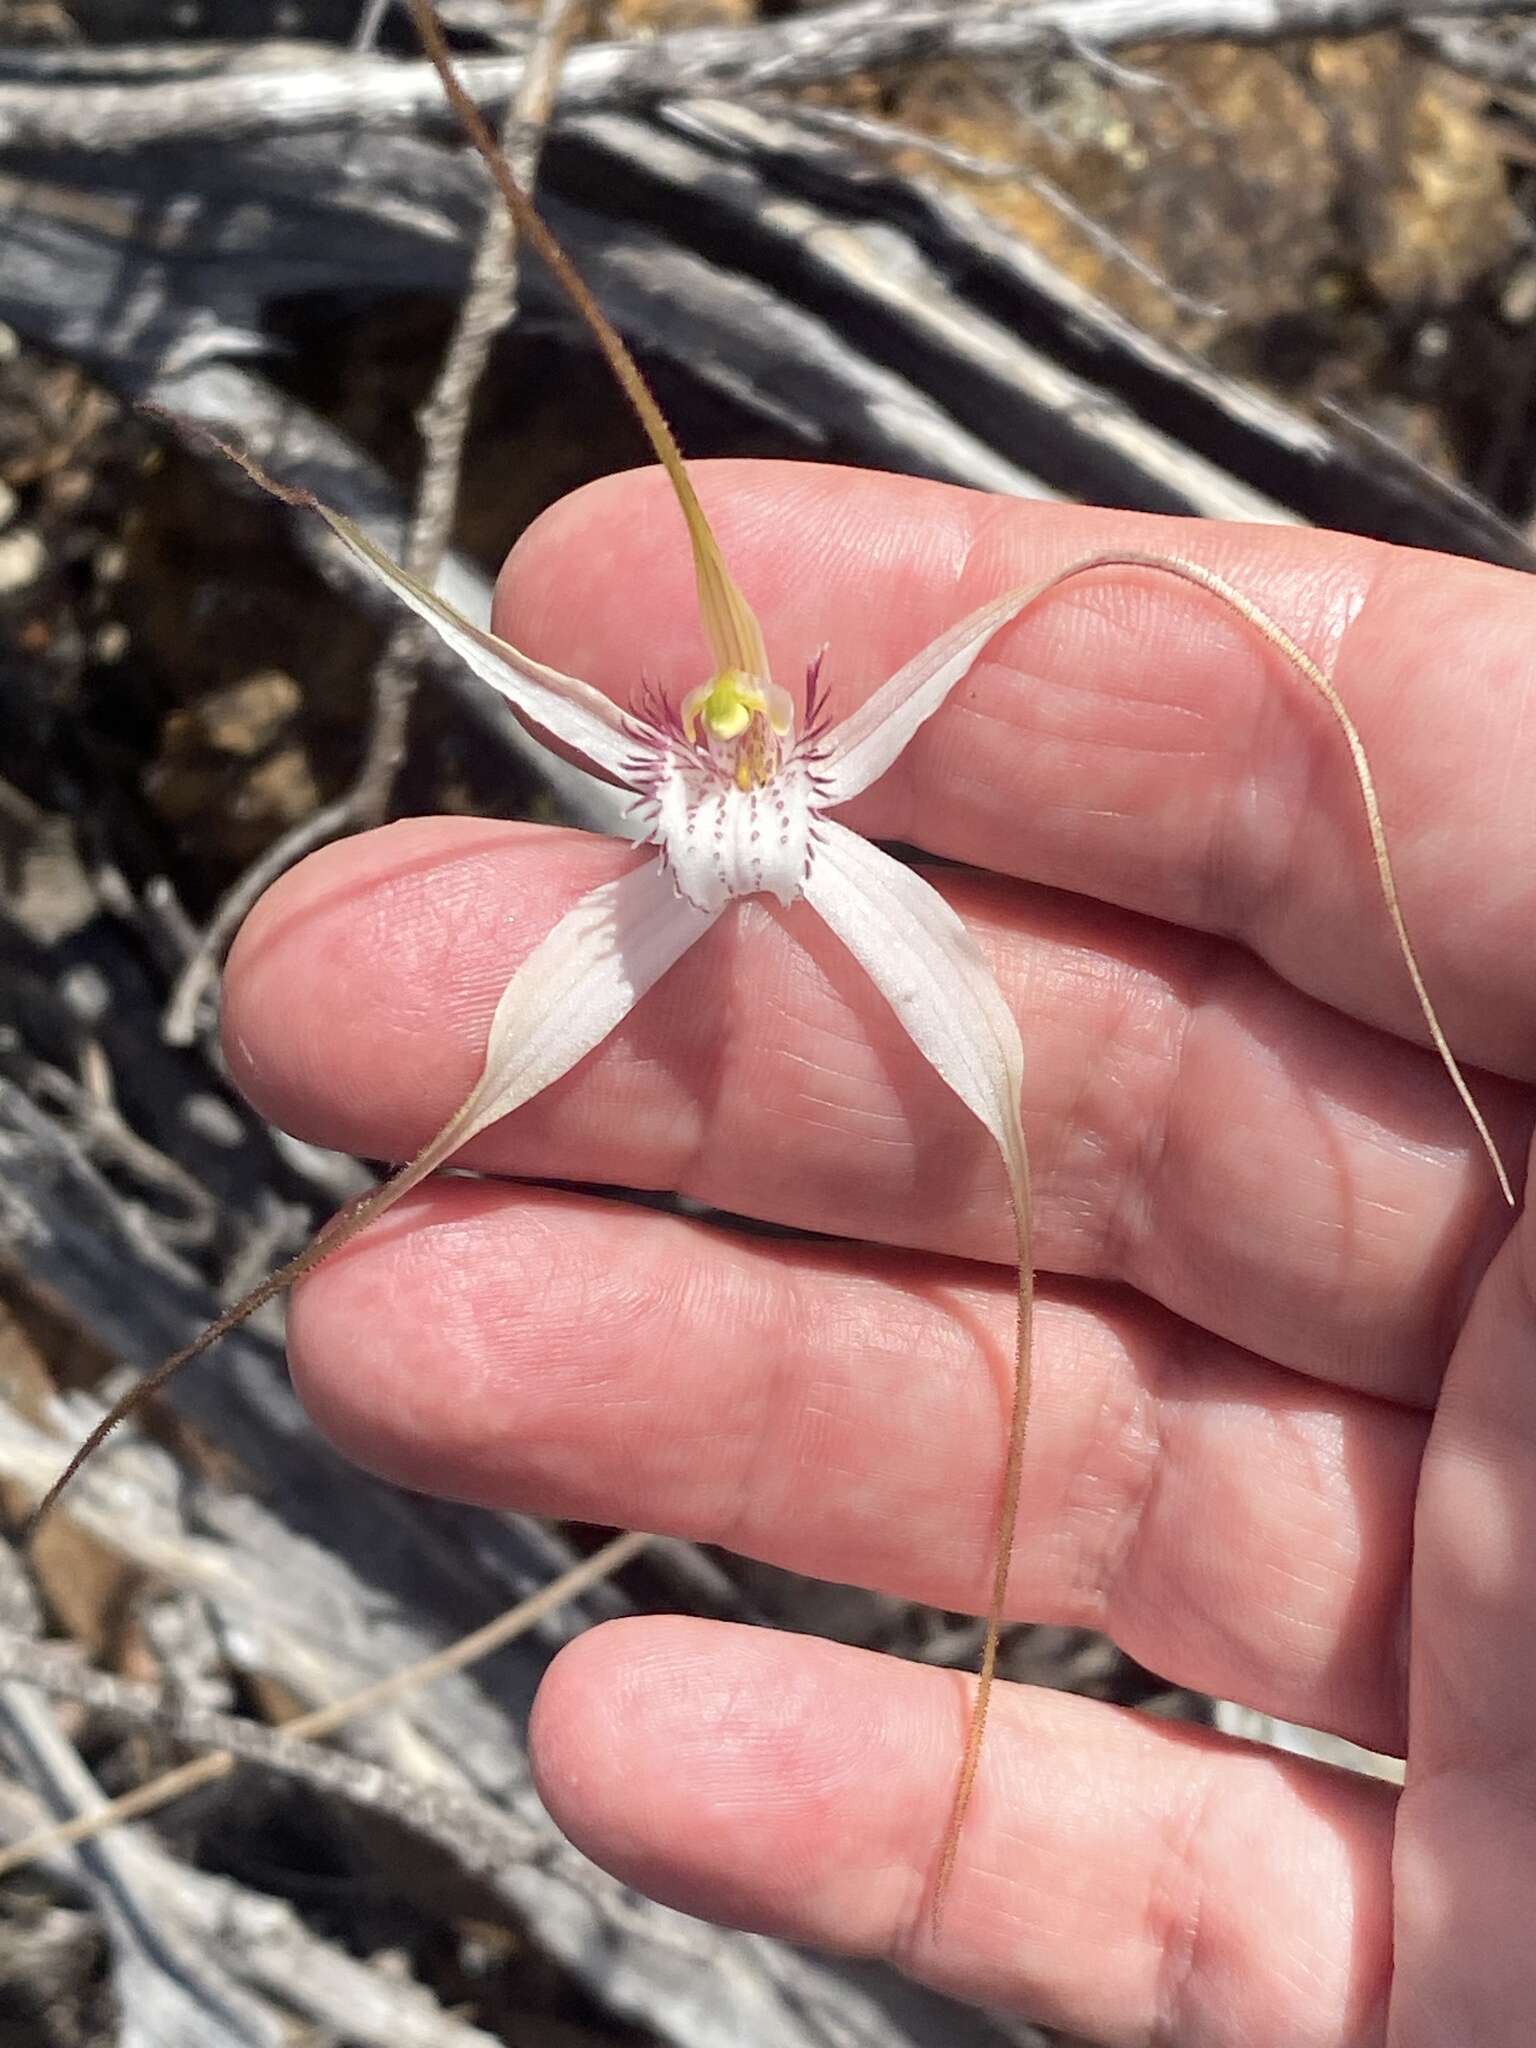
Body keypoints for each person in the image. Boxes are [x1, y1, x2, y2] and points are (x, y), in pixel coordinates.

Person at [221, 462, 1533, 2046]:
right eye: (718, 733)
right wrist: (304, 501)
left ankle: (990, 1638)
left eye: (750, 726)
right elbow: (469, 632)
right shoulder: (731, 808)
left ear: (780, 730)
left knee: (1003, 1117)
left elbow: (1049, 596)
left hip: (842, 863)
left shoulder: (814, 779)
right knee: (472, 1096)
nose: (732, 731)